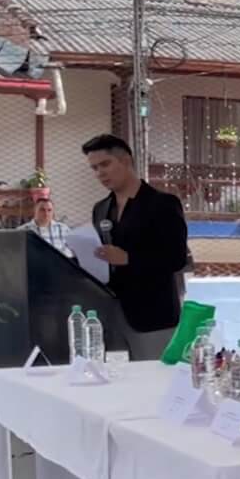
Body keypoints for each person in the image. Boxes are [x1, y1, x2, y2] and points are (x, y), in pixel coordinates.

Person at [83, 134, 189, 361]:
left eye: (105, 164)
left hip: (153, 316)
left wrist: (130, 259)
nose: (100, 173)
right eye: (94, 168)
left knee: (156, 383)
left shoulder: (162, 204)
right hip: (110, 314)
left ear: (126, 161)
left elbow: (177, 258)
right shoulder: (100, 209)